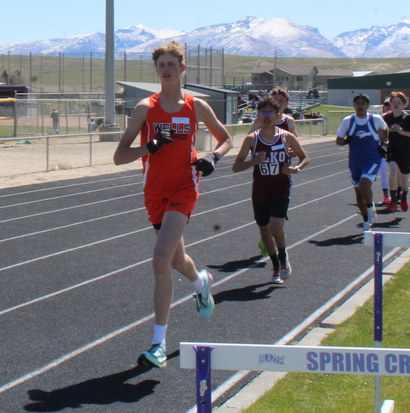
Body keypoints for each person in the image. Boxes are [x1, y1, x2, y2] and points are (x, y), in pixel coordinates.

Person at [113, 40, 233, 369]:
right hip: (154, 192)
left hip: (185, 187)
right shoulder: (145, 109)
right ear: (157, 71)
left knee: (160, 259)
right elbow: (119, 156)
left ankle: (158, 344)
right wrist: (149, 147)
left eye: (171, 64)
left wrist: (212, 157)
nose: (166, 69)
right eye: (161, 65)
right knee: (178, 260)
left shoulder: (196, 106)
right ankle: (201, 282)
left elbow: (226, 138)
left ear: (183, 69)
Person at [232, 96, 310, 283]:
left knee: (276, 228)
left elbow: (304, 158)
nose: (266, 116)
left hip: (281, 187)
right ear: (257, 115)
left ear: (277, 115)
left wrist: (295, 169)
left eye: (270, 112)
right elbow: (236, 166)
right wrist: (254, 161)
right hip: (260, 189)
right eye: (262, 112)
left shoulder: (287, 137)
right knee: (264, 231)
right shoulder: (252, 139)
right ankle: (275, 265)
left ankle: (283, 259)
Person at [336, 94, 388, 233]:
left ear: (367, 106)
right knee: (359, 193)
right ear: (354, 106)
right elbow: (338, 140)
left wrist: (385, 143)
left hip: (372, 159)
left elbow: (385, 128)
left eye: (363, 103)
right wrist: (347, 140)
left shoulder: (375, 119)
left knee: (365, 185)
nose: (360, 106)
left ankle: (370, 208)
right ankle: (365, 220)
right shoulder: (348, 121)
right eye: (357, 103)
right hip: (355, 161)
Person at [382, 92, 410, 213]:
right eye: (393, 102)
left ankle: (403, 197)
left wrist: (402, 132)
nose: (396, 104)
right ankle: (393, 201)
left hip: (405, 152)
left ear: (404, 105)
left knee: (405, 180)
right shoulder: (386, 118)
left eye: (399, 102)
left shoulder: (409, 118)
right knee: (393, 172)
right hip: (392, 150)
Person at [378, 99, 392, 206]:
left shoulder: (401, 118)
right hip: (383, 148)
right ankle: (386, 196)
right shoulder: (380, 118)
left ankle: (398, 194)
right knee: (383, 173)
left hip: (396, 149)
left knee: (396, 173)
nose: (388, 106)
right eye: (386, 104)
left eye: (390, 104)